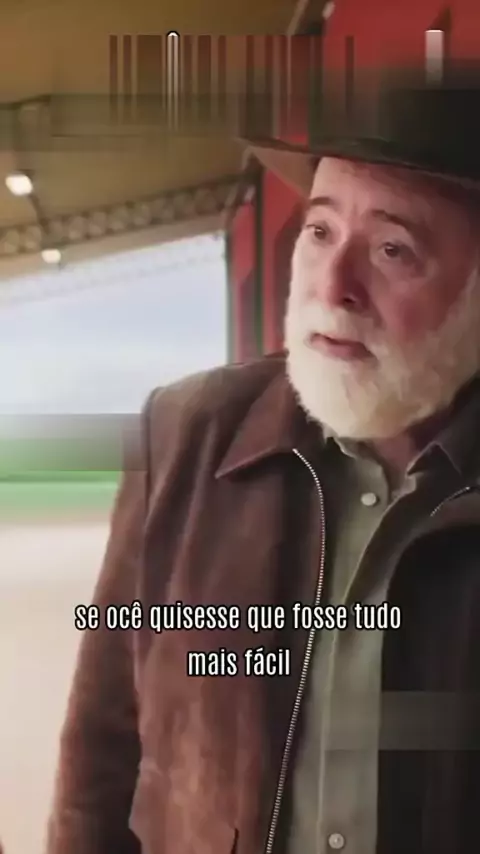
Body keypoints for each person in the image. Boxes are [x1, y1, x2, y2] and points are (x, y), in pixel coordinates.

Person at [46, 76, 480, 854]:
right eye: (319, 231)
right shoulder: (183, 436)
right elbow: (100, 750)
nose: (334, 286)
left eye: (392, 249)